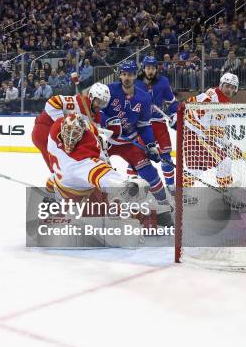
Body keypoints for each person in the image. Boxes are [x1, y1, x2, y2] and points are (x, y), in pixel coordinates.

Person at [101, 60, 173, 226]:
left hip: (130, 141)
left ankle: (163, 206)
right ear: (120, 75)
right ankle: (94, 205)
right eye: (124, 74)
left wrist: (150, 145)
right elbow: (98, 110)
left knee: (151, 173)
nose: (127, 77)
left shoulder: (144, 97)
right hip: (108, 140)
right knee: (97, 170)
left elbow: (144, 125)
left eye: (131, 74)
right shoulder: (110, 90)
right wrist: (108, 121)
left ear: (135, 75)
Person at [46, 113, 148, 203]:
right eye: (69, 134)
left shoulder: (54, 130)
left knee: (55, 179)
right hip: (74, 194)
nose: (70, 139)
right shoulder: (82, 161)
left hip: (59, 178)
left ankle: (49, 191)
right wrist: (122, 186)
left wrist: (96, 133)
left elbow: (84, 126)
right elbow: (104, 177)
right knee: (100, 197)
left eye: (75, 134)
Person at [32, 82, 110, 199]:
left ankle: (60, 192)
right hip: (44, 131)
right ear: (91, 97)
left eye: (103, 103)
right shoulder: (78, 103)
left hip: (59, 138)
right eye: (98, 101)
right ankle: (55, 196)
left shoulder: (96, 116)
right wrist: (63, 123)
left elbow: (95, 138)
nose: (100, 106)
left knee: (68, 166)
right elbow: (53, 102)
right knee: (61, 169)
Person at [182, 73, 242, 194]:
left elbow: (217, 132)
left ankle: (181, 194)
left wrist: (228, 145)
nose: (229, 89)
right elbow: (189, 109)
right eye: (227, 86)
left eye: (233, 87)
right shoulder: (211, 96)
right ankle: (227, 193)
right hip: (195, 137)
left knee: (195, 169)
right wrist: (202, 130)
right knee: (225, 161)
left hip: (197, 138)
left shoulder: (226, 104)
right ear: (221, 85)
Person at [134, 56, 182, 199]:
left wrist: (175, 115)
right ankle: (136, 184)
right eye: (147, 68)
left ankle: (171, 185)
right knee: (139, 157)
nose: (150, 71)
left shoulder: (163, 82)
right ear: (144, 69)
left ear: (156, 69)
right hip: (143, 124)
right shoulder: (136, 83)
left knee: (166, 155)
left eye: (152, 68)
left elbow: (172, 103)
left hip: (159, 123)